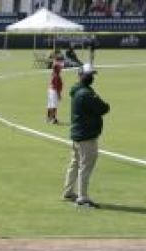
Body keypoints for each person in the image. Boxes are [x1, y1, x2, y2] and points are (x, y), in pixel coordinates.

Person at [62, 64, 109, 208]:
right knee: (85, 166)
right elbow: (103, 108)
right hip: (86, 136)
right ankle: (82, 197)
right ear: (81, 75)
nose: (91, 77)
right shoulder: (86, 94)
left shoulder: (78, 91)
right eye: (89, 75)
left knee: (75, 164)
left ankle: (69, 191)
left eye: (92, 75)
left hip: (78, 134)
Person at [46, 55, 64, 124]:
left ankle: (48, 118)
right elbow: (56, 86)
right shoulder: (56, 76)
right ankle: (53, 119)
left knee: (50, 104)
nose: (61, 69)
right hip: (54, 91)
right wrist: (59, 94)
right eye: (59, 68)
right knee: (54, 105)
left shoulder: (54, 74)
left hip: (51, 90)